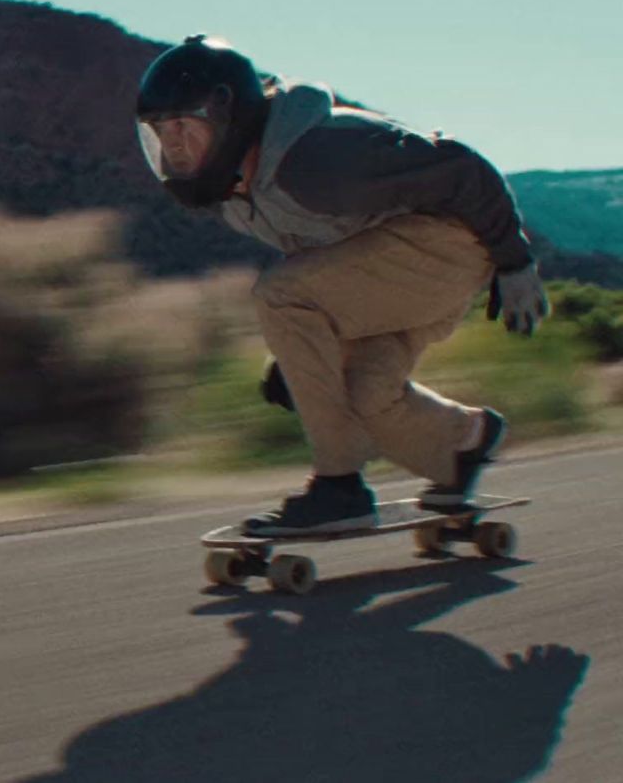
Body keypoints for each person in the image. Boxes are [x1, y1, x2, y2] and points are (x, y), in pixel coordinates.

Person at [135, 35, 548, 535]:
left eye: (184, 127)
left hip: (445, 246)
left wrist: (515, 261)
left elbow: (461, 167)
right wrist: (304, 355)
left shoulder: (318, 161)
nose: (174, 146)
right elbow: (325, 258)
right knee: (364, 393)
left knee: (280, 294)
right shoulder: (236, 190)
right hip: (391, 260)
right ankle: (464, 442)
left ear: (229, 117)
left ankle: (339, 485)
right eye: (161, 132)